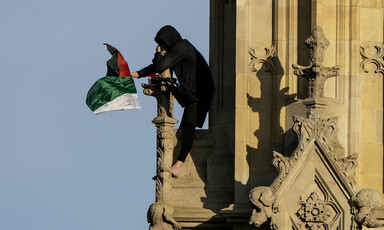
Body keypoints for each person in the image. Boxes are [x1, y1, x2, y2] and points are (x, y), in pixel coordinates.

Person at [131, 25, 214, 178]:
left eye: (162, 43)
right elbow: (155, 67)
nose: (161, 47)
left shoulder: (182, 47)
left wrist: (158, 54)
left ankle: (178, 165)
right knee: (183, 129)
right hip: (193, 93)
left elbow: (160, 65)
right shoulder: (177, 49)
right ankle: (169, 166)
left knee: (188, 127)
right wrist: (133, 75)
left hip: (199, 93)